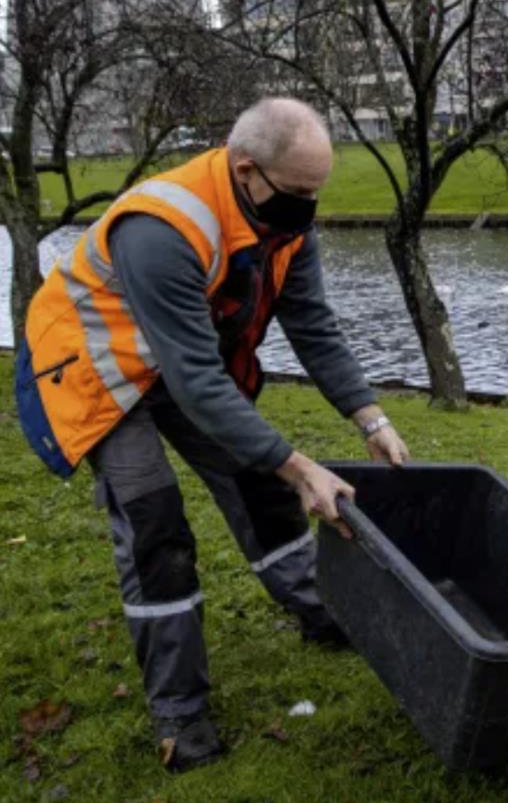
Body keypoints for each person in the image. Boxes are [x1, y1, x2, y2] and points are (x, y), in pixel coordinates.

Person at [14, 97, 408, 770]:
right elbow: (197, 380)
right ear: (247, 170)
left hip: (176, 356)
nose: (310, 209)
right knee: (154, 522)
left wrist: (371, 417)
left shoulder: (283, 219)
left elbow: (312, 323)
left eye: (317, 192)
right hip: (97, 370)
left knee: (258, 479)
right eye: (299, 193)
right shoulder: (161, 229)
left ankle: (319, 608)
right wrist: (301, 466)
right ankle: (179, 710)